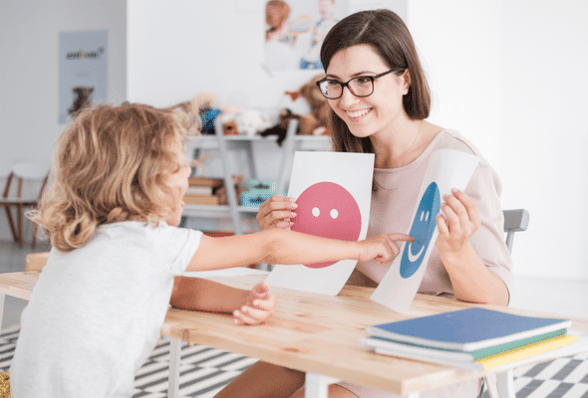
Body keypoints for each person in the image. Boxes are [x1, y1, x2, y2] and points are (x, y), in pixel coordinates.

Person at [9, 101, 412, 398]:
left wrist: (241, 299)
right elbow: (271, 244)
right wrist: (359, 248)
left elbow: (178, 290)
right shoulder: (144, 242)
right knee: (289, 370)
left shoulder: (83, 242)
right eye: (180, 165)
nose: (191, 172)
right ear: (143, 181)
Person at [214, 8, 513, 398]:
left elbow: (499, 301)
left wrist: (456, 252)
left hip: (433, 351)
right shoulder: (343, 159)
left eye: (364, 81)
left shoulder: (457, 163)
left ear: (404, 79)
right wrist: (281, 237)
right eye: (334, 83)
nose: (346, 98)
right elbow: (327, 273)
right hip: (349, 332)